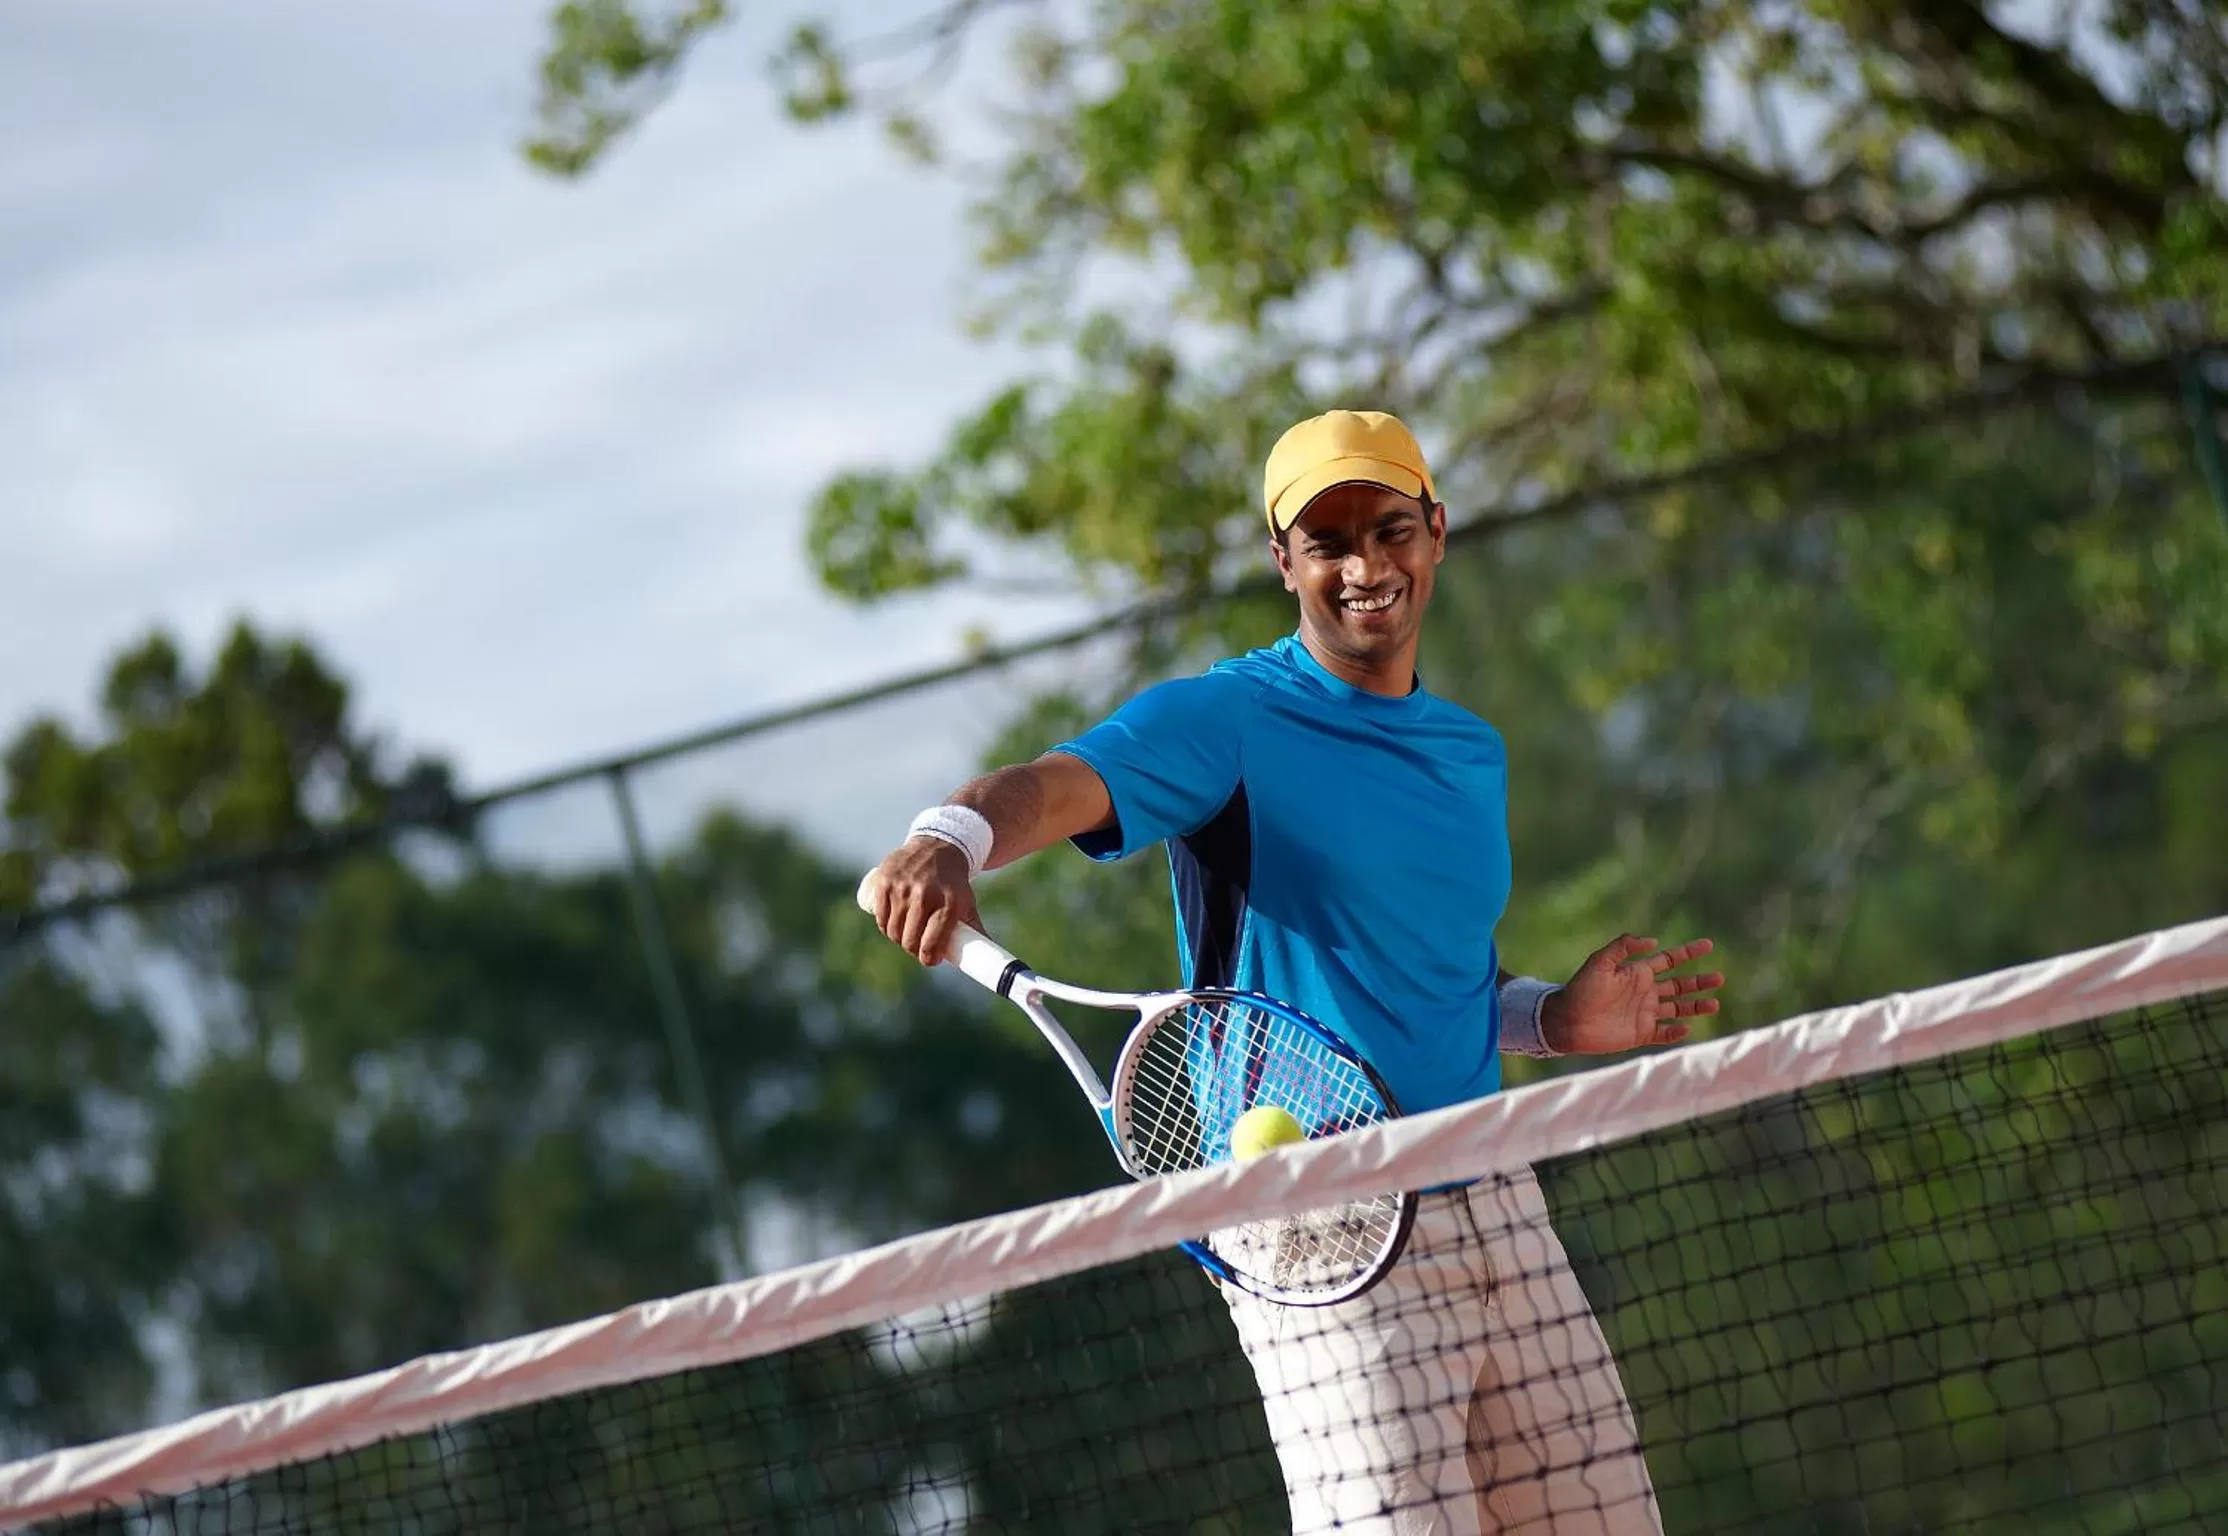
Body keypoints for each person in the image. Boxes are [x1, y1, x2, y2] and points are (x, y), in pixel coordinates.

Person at [863, 409, 1723, 1534]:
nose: (1365, 566)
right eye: (1327, 543)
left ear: (1435, 533)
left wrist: (1556, 1020)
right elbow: (1048, 784)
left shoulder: (1469, 754)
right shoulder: (1223, 720)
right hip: (1321, 1230)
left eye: (1388, 529)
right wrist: (948, 839)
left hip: (1500, 1202)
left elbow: (1437, 982)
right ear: (1283, 563)